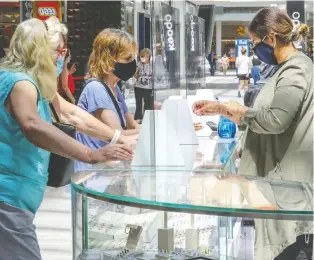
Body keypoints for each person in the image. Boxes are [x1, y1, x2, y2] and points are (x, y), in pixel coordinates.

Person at [0, 17, 135, 259]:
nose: (61, 58)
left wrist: (118, 138)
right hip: (8, 195)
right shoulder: (21, 83)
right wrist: (89, 154)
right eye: (58, 51)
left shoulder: (35, 83)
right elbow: (32, 124)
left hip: (18, 198)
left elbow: (72, 114)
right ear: (38, 48)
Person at [193, 8, 312, 260]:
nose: (254, 48)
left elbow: (276, 120)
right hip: (279, 190)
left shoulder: (295, 70)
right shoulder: (285, 69)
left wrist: (235, 109)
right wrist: (225, 109)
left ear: (270, 38)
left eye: (255, 42)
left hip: (287, 193)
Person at [75, 28, 141, 172]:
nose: (132, 63)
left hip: (110, 167)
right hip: (95, 172)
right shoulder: (96, 89)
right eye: (127, 58)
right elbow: (116, 134)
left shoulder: (114, 88)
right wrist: (151, 132)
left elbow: (132, 126)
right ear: (109, 59)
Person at [134, 48, 153, 123]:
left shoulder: (152, 65)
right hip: (138, 86)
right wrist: (136, 74)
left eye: (143, 56)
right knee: (139, 103)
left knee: (148, 104)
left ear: (148, 56)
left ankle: (146, 118)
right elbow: (135, 75)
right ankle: (138, 118)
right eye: (140, 56)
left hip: (148, 87)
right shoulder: (138, 64)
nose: (141, 58)